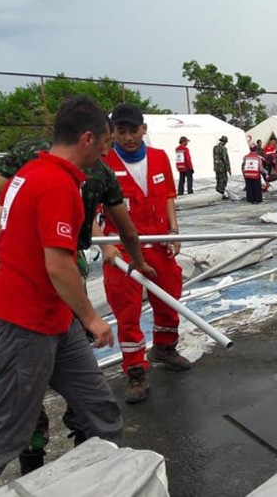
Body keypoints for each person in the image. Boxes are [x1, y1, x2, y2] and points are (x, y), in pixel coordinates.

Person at [0, 130, 156, 472]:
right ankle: (34, 459)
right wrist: (91, 317)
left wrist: (122, 253)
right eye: (104, 144)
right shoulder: (53, 182)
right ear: (87, 139)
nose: (107, 152)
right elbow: (58, 264)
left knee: (99, 406)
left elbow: (118, 228)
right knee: (10, 429)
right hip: (26, 319)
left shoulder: (40, 172)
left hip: (58, 315)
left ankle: (116, 476)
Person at [103, 104, 190, 405]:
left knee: (170, 296)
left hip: (158, 242)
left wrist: (173, 232)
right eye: (121, 132)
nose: (128, 137)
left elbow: (168, 195)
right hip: (122, 249)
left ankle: (164, 347)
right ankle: (135, 370)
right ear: (112, 133)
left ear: (144, 129)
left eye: (133, 130)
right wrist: (104, 245)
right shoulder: (102, 163)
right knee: (127, 310)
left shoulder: (158, 158)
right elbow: (89, 208)